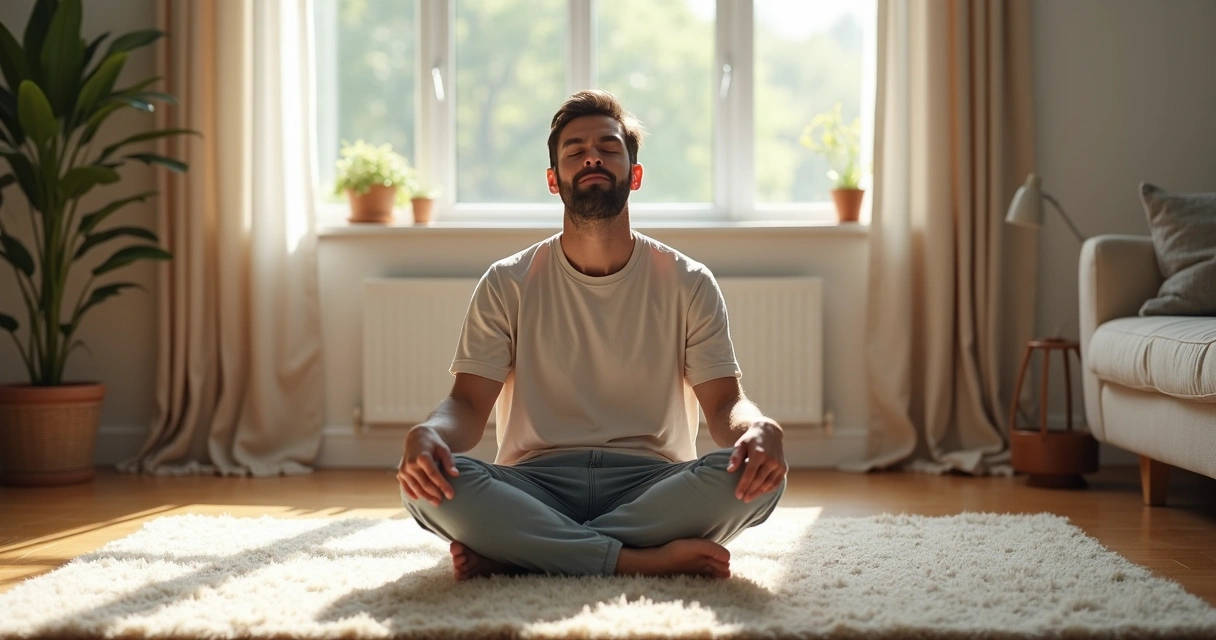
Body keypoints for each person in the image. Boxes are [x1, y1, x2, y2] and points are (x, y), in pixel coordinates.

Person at [396, 89, 788, 580]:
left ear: (635, 174)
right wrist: (429, 434)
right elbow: (469, 407)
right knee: (424, 484)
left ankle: (525, 550)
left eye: (608, 147)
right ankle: (635, 560)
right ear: (554, 180)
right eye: (575, 150)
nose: (592, 158)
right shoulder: (506, 281)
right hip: (532, 482)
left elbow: (724, 404)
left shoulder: (689, 280)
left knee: (760, 479)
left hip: (653, 483)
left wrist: (758, 428)